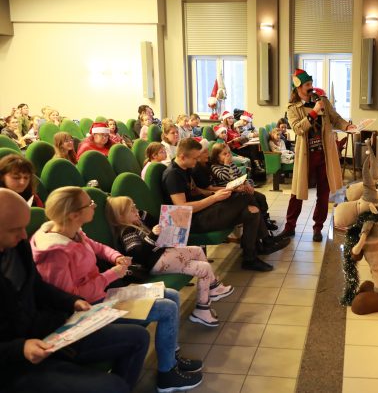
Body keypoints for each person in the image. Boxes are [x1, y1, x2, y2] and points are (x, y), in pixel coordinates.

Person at [30, 186, 203, 392]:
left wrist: (116, 257)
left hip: (101, 296)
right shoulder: (54, 253)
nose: (94, 205)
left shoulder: (71, 230)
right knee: (166, 308)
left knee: (171, 295)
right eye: (89, 204)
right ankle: (167, 375)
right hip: (88, 312)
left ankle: (170, 357)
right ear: (74, 214)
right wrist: (112, 274)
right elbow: (71, 298)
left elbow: (97, 247)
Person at [0, 188, 150, 393]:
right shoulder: (53, 250)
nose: (24, 235)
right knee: (114, 386)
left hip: (46, 333)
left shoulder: (17, 245)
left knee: (139, 337)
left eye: (24, 227)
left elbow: (37, 286)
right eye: (15, 229)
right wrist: (20, 348)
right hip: (13, 360)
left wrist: (71, 301)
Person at [161, 138, 289, 272]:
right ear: (182, 157)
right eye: (195, 158)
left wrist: (215, 193)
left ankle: (250, 257)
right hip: (188, 222)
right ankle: (265, 241)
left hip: (202, 211)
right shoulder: (173, 175)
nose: (197, 160)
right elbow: (183, 208)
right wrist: (214, 198)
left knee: (252, 212)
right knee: (245, 196)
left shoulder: (184, 168)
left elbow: (196, 191)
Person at [106, 196, 234, 327]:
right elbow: (137, 255)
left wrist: (142, 214)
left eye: (135, 206)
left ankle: (207, 299)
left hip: (162, 257)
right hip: (156, 262)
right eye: (131, 209)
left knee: (201, 260)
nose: (136, 211)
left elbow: (154, 222)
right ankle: (208, 298)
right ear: (121, 216)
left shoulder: (137, 223)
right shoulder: (127, 231)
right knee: (200, 259)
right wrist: (152, 236)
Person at [277, 69, 356, 242]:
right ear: (298, 87)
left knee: (323, 193)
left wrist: (347, 126)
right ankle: (290, 227)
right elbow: (298, 129)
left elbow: (336, 118)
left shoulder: (323, 101)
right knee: (297, 193)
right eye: (307, 84)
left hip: (324, 155)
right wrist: (313, 112)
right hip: (305, 157)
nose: (311, 87)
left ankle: (318, 228)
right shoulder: (292, 108)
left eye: (311, 83)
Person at [209, 142, 277, 230]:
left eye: (229, 152)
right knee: (253, 200)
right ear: (217, 157)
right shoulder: (215, 167)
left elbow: (241, 175)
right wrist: (226, 164)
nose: (228, 155)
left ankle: (264, 219)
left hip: (240, 190)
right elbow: (224, 176)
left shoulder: (232, 164)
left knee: (261, 197)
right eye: (224, 154)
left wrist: (247, 184)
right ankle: (261, 223)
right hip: (230, 193)